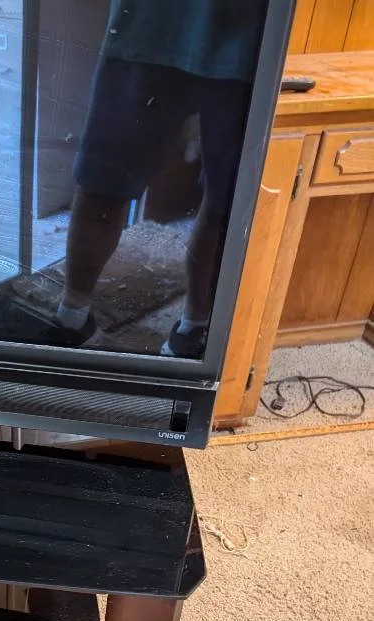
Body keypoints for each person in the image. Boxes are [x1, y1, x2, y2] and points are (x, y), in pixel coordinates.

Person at [51, 0, 267, 358]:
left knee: (227, 201)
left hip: (237, 44)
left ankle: (192, 329)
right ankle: (73, 319)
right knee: (104, 183)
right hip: (154, 30)